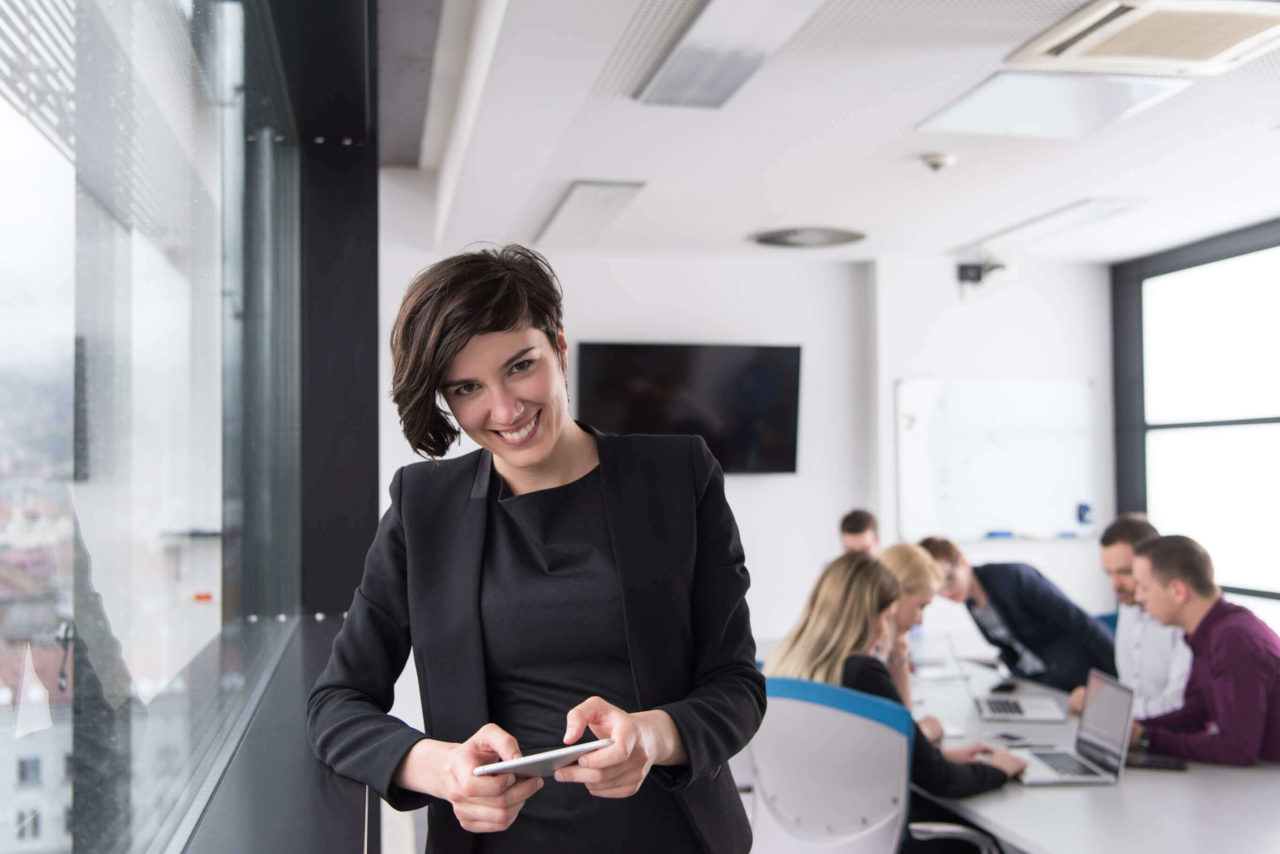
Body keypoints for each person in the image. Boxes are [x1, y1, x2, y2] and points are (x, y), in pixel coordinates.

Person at [306, 245, 765, 853]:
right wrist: (441, 768)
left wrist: (652, 737)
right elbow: (337, 704)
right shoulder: (424, 507)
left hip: (672, 837)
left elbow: (736, 684)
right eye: (467, 387)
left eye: (521, 366)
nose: (504, 409)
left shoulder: (679, 476)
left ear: (559, 346)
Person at [765, 552, 1025, 843]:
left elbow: (848, 757)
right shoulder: (862, 673)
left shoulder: (780, 669)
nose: (884, 629)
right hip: (868, 838)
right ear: (867, 616)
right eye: (886, 616)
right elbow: (941, 781)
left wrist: (933, 755)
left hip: (804, 837)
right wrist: (997, 771)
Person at [1129, 535, 1280, 765]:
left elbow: (1238, 748)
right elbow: (1196, 714)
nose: (1138, 597)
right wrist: (1134, 729)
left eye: (1144, 587)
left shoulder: (1232, 640)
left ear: (1178, 591)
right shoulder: (1209, 633)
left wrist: (1148, 739)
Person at [919, 537, 1115, 691]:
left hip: (1073, 675)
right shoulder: (971, 603)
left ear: (962, 561)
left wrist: (1120, 669)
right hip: (1038, 681)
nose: (946, 592)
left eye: (949, 580)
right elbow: (1009, 647)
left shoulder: (1015, 578)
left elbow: (1079, 621)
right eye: (938, 589)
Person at [1067, 514, 1191, 716]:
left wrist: (1107, 704)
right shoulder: (1129, 606)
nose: (1114, 585)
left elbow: (1178, 706)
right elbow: (1132, 687)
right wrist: (1095, 697)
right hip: (1133, 732)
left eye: (1124, 572)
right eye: (1109, 573)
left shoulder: (1180, 620)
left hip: (1166, 736)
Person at [877, 543, 945, 742]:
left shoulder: (886, 646)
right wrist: (925, 732)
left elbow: (902, 723)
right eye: (920, 606)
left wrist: (899, 653)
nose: (920, 620)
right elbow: (900, 740)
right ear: (895, 594)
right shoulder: (867, 654)